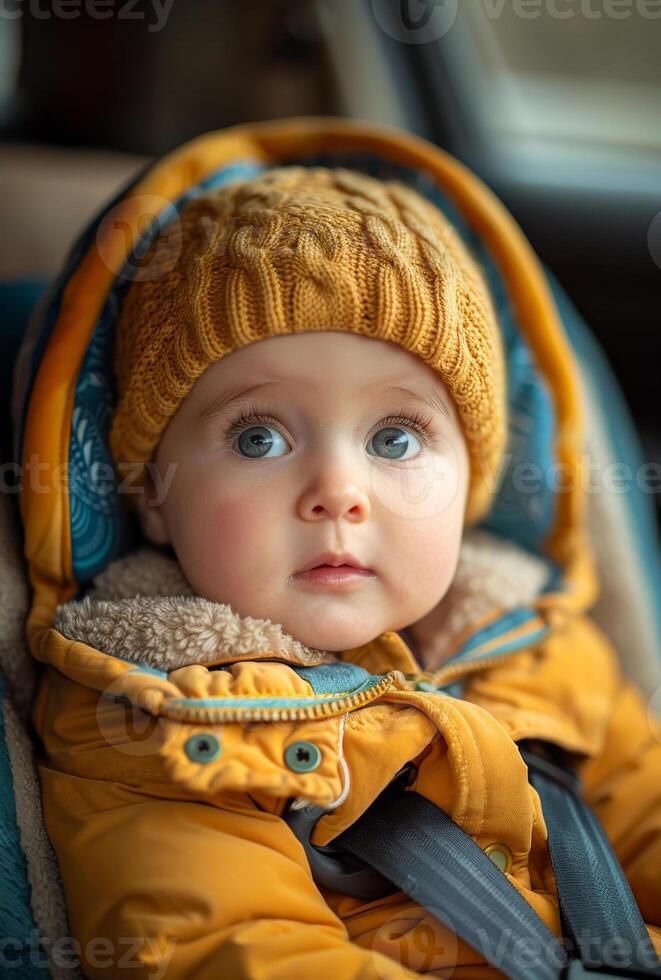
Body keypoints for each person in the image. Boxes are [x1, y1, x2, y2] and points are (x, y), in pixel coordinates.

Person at [26, 147, 661, 978]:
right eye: (258, 437)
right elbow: (229, 949)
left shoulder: (540, 647)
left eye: (394, 438)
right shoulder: (152, 723)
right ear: (152, 492)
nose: (337, 492)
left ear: (472, 482)